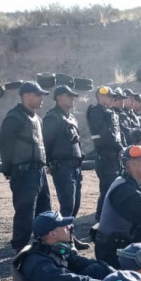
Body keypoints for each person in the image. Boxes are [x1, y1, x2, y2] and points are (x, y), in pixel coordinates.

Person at [0, 81, 52, 251]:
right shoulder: (14, 117)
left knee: (45, 211)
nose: (41, 99)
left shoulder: (37, 118)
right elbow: (5, 144)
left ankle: (43, 247)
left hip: (39, 172)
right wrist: (8, 169)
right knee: (25, 215)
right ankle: (20, 250)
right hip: (23, 172)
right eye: (38, 95)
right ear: (26, 95)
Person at [43, 84, 85, 221]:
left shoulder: (71, 117)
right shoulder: (52, 117)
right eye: (69, 96)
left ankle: (69, 233)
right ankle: (63, 235)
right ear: (59, 98)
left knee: (76, 204)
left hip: (75, 166)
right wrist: (48, 163)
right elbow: (46, 142)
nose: (73, 99)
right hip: (62, 166)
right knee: (67, 205)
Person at [86, 86, 125, 220]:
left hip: (114, 157)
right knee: (107, 189)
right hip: (106, 157)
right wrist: (120, 146)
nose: (113, 100)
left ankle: (108, 216)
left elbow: (116, 133)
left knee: (114, 188)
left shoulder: (109, 112)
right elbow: (106, 134)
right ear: (101, 97)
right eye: (110, 97)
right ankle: (101, 217)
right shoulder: (97, 112)